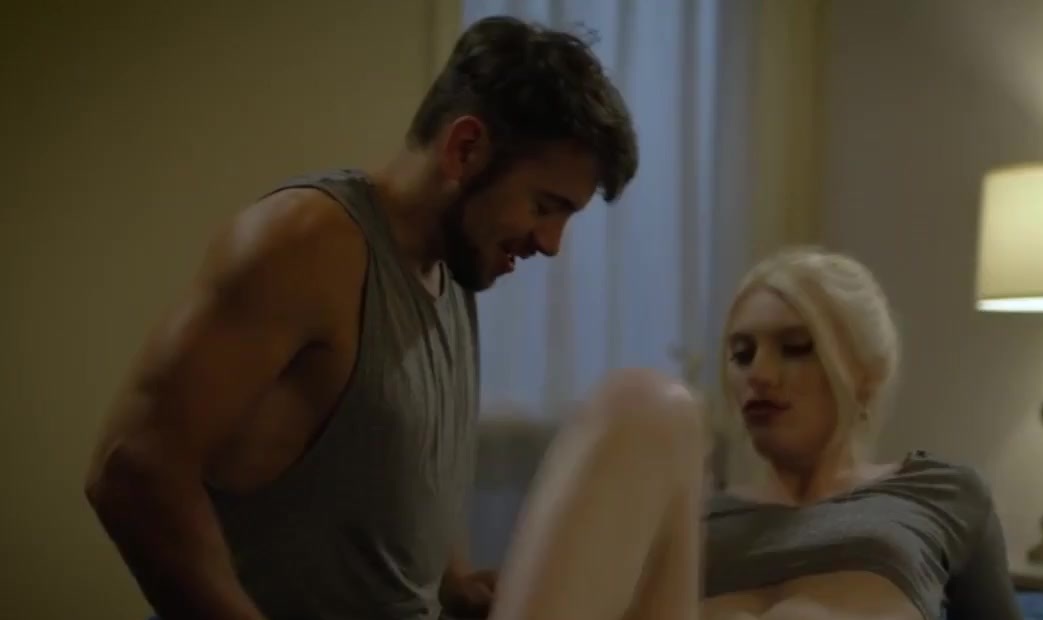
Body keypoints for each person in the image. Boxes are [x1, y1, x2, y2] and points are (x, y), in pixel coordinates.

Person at [83, 15, 637, 620]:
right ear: (465, 149)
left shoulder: (453, 268)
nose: (551, 243)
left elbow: (401, 467)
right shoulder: (305, 244)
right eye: (544, 206)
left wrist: (454, 582)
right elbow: (132, 470)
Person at [480, 247, 1022, 620]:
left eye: (795, 348)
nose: (758, 374)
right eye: (741, 355)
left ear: (865, 373)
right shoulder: (693, 515)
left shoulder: (939, 491)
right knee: (645, 401)